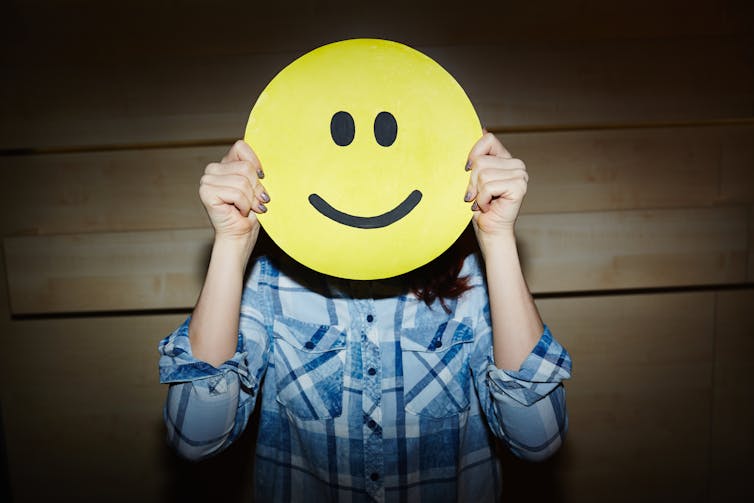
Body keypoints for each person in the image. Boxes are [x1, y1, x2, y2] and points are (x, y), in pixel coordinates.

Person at [158, 133, 572, 502]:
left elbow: (537, 438)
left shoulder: (473, 279)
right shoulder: (268, 282)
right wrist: (231, 242)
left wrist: (498, 238)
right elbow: (195, 437)